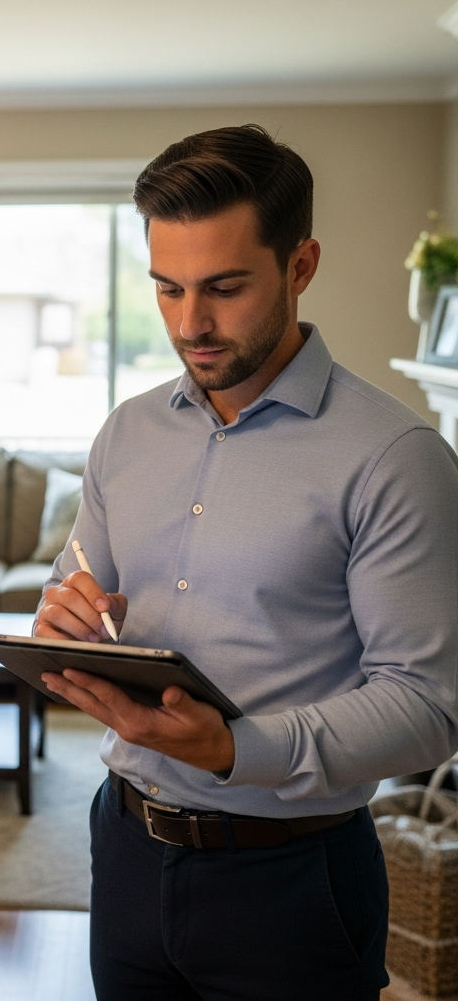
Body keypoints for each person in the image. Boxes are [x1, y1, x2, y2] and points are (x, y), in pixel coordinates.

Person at [36, 124, 458, 1000]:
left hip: (294, 883)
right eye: (167, 288)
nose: (191, 323)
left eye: (225, 288)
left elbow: (429, 707)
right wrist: (62, 627)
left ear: (300, 266)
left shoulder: (397, 456)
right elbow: (73, 594)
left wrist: (236, 747)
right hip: (123, 847)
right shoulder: (127, 431)